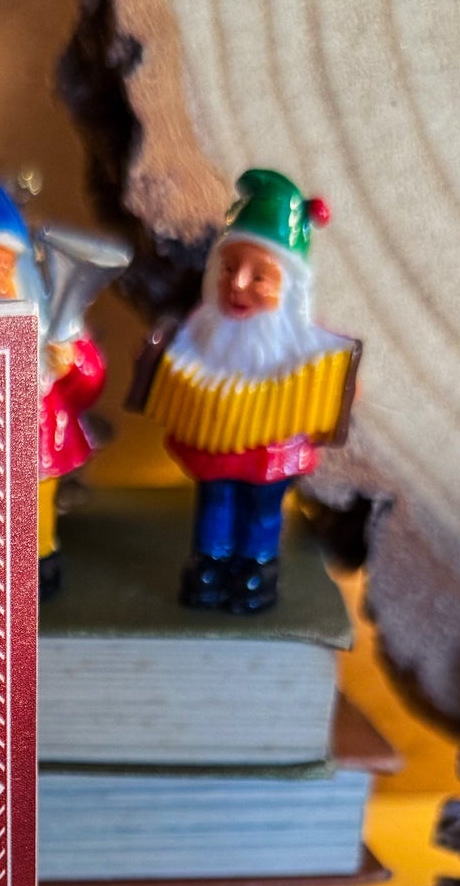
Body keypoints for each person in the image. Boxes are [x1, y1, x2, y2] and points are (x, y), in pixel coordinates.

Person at [136, 168, 361, 614]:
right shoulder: (202, 329)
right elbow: (176, 358)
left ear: (288, 288)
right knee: (215, 500)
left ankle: (256, 566)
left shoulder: (302, 345)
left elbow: (333, 386)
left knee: (262, 508)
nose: (237, 284)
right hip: (215, 444)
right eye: (230, 268)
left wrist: (337, 398)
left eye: (259, 276)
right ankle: (211, 561)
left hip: (273, 451)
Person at [0, 164, 107, 598]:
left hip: (36, 445)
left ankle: (39, 563)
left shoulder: (52, 329)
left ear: (19, 272)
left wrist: (69, 366)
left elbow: (89, 386)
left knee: (35, 508)